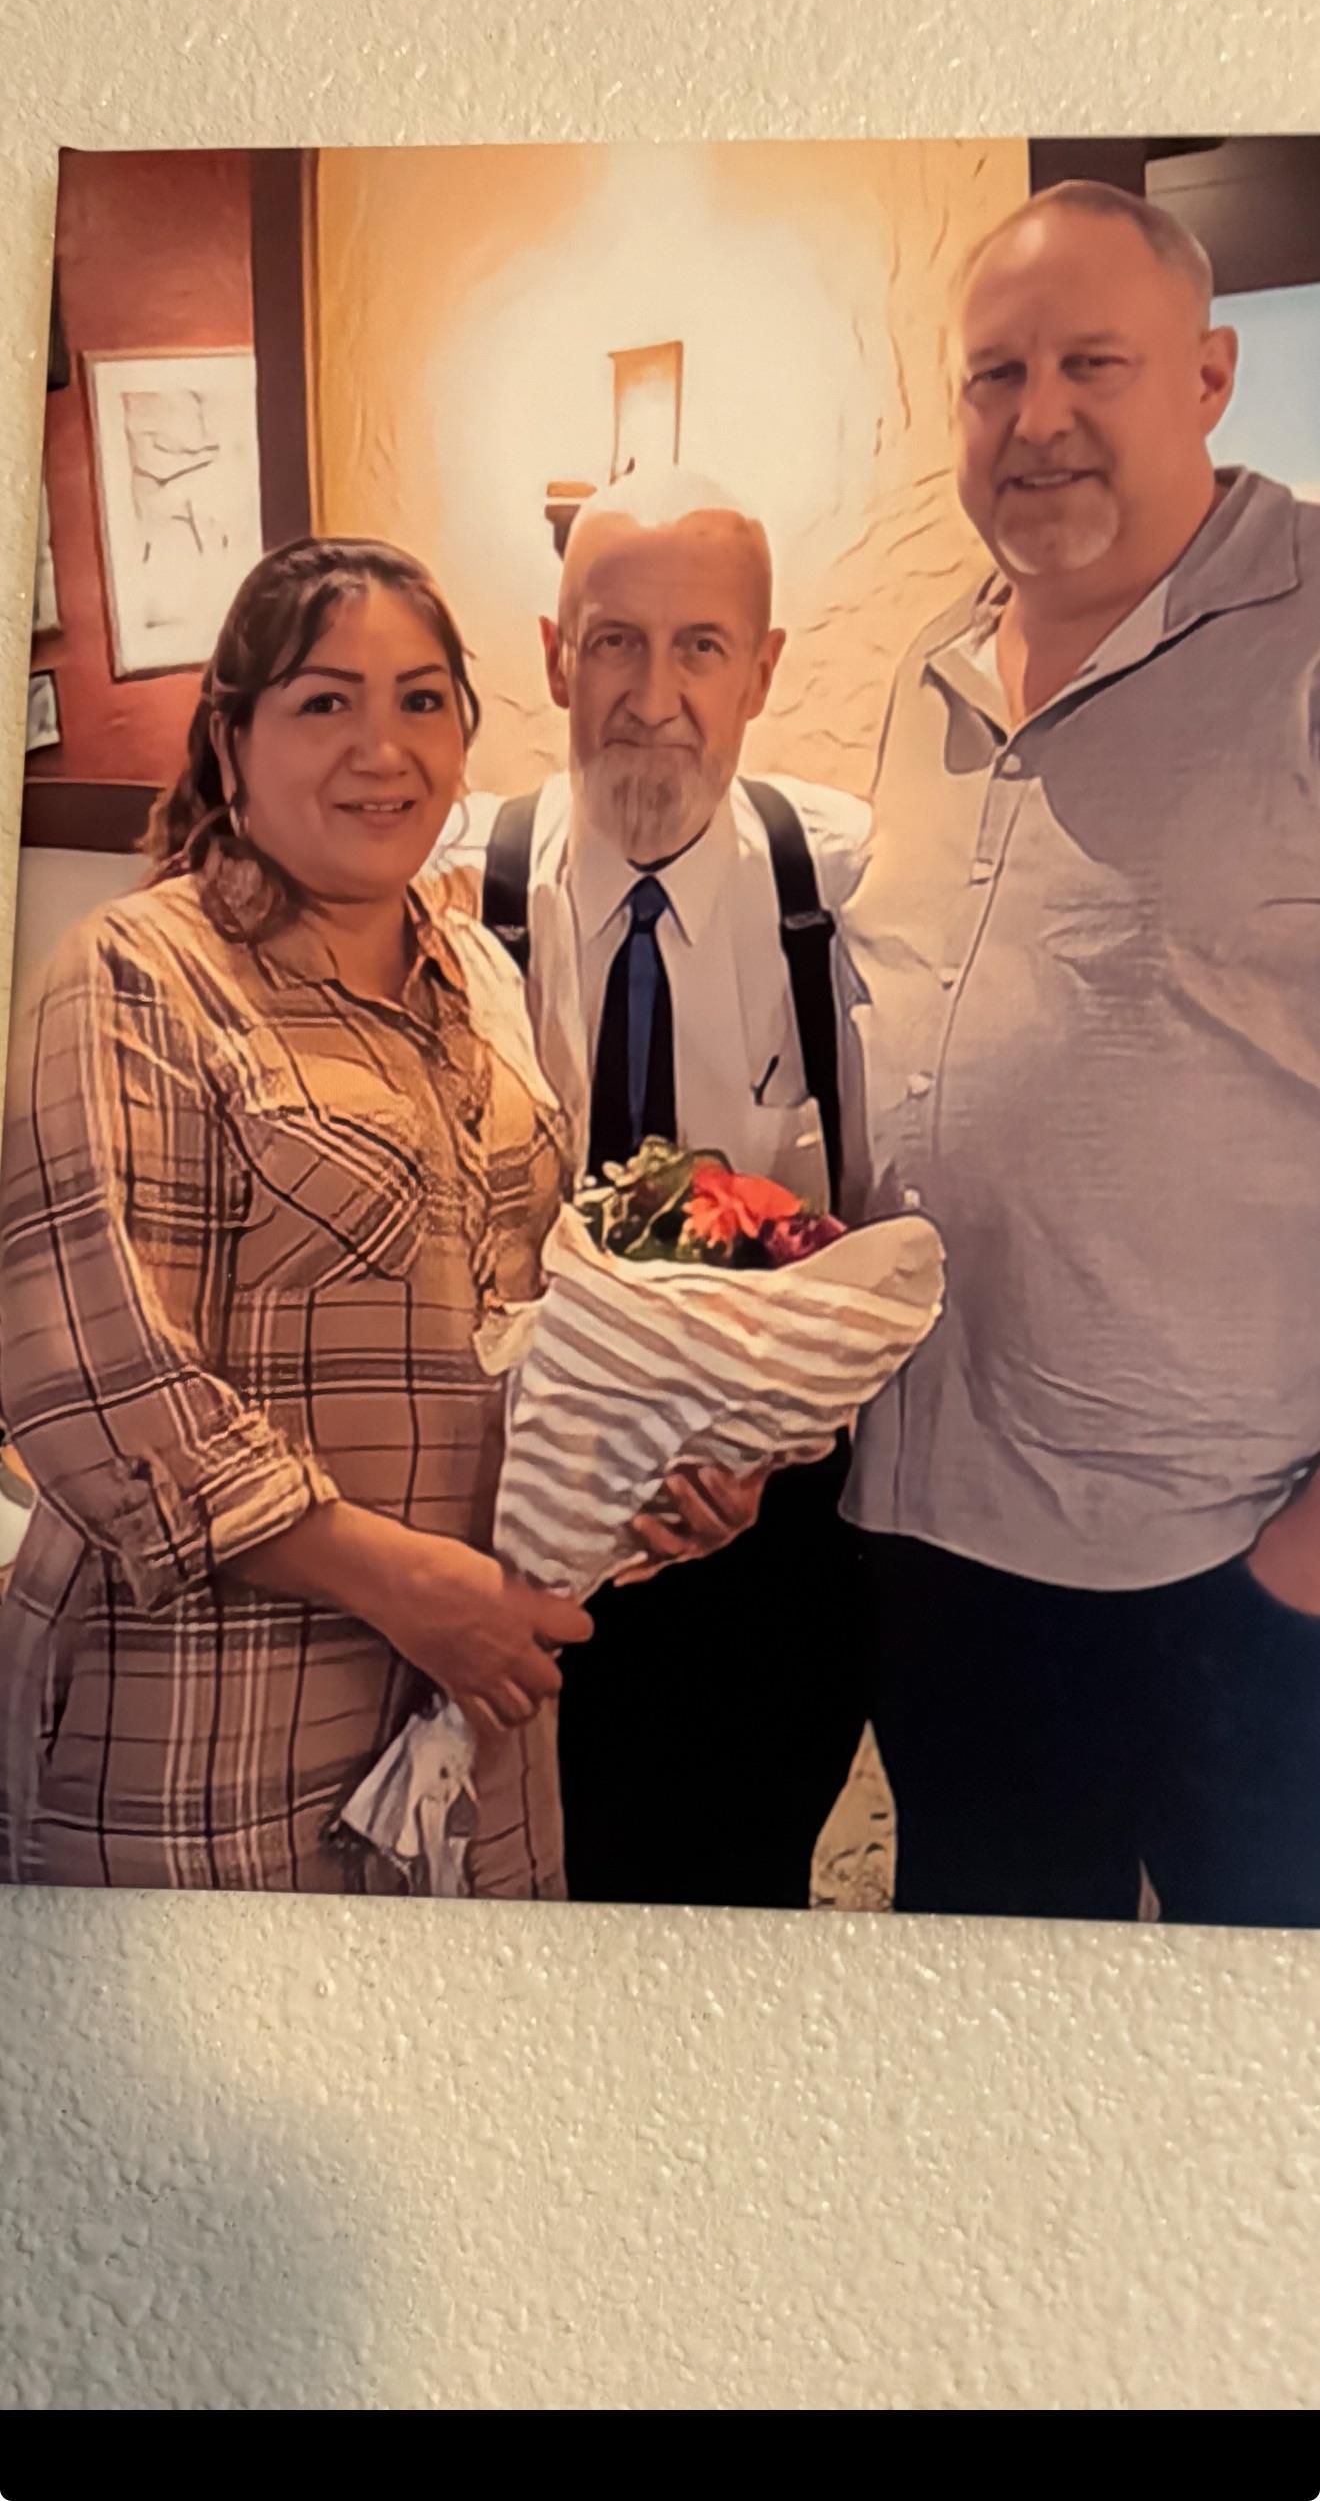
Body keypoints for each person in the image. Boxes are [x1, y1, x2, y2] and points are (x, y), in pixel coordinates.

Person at [0, 535, 747, 1896]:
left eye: (419, 700)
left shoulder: (479, 973)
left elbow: (533, 1317)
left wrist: (664, 1461)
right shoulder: (138, 974)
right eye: (323, 701)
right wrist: (400, 1584)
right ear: (229, 744)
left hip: (471, 1720)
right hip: (213, 1726)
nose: (381, 747)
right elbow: (99, 1386)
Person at [843, 177, 1320, 1928]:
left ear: (1205, 376)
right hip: (939, 1536)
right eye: (994, 375)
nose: (1036, 417)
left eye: (1090, 365)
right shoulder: (927, 669)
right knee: (986, 2037)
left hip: (1230, 1565)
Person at [437, 466, 873, 1908]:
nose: (652, 692)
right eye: (614, 640)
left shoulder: (853, 884)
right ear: (556, 654)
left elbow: (892, 1232)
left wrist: (767, 1448)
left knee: (734, 1911)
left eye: (700, 647)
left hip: (761, 1552)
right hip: (508, 1541)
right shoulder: (443, 886)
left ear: (762, 669)